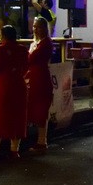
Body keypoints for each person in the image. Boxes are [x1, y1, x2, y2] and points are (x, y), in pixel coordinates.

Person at [0, 24, 27, 159]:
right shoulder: (22, 49)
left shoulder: (0, 49)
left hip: (3, 86)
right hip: (19, 86)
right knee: (17, 118)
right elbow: (26, 66)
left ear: (3, 36)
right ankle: (15, 150)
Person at [26, 16, 54, 154]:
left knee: (41, 110)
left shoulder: (45, 43)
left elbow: (30, 58)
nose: (35, 29)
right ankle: (39, 140)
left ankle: (42, 141)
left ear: (44, 28)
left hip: (41, 79)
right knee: (36, 109)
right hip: (35, 78)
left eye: (38, 27)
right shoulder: (37, 42)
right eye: (34, 26)